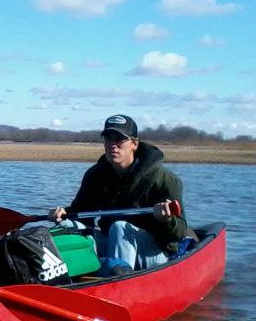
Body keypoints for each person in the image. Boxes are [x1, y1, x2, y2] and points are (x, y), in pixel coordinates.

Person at [49, 114, 188, 273]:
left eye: (119, 139)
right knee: (67, 225)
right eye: (108, 138)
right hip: (112, 244)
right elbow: (82, 213)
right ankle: (67, 278)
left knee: (119, 227)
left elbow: (179, 233)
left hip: (156, 253)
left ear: (134, 144)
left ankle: (116, 281)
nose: (112, 145)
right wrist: (64, 213)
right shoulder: (95, 175)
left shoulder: (165, 179)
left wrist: (167, 220)